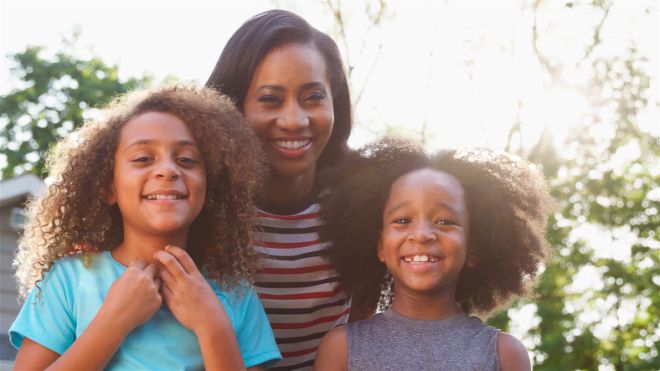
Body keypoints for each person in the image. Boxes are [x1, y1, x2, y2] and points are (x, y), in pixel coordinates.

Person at [9, 86, 282, 370]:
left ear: (209, 188)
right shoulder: (69, 280)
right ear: (108, 187)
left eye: (186, 160)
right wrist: (114, 321)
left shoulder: (236, 294)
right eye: (143, 158)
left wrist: (213, 326)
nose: (168, 170)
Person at [315, 139, 554, 370]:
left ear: (473, 248)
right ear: (380, 247)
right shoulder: (342, 349)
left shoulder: (504, 355)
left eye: (444, 221)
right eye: (402, 220)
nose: (421, 235)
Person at [206, 9, 359, 370]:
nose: (294, 120)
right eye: (271, 99)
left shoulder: (364, 208)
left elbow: (363, 336)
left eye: (313, 97)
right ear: (232, 108)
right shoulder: (198, 206)